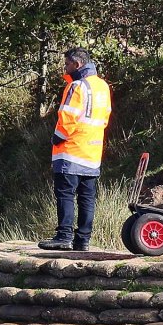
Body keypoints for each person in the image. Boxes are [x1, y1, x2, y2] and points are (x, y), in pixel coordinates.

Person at [38, 47, 112, 251]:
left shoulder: (77, 86)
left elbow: (67, 117)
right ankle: (83, 240)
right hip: (93, 151)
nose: (65, 68)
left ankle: (63, 237)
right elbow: (105, 118)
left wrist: (56, 139)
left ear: (77, 65)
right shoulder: (103, 87)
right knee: (87, 198)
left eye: (67, 64)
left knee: (65, 194)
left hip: (71, 150)